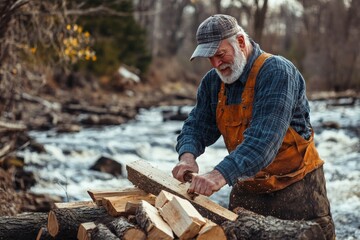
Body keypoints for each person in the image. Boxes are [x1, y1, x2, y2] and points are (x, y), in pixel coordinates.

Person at [172, 14, 335, 239]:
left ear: (240, 42)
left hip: (297, 190)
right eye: (210, 58)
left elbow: (263, 142)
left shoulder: (277, 72)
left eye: (220, 54)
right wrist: (187, 156)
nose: (216, 64)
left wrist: (218, 175)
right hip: (247, 191)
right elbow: (196, 125)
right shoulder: (212, 82)